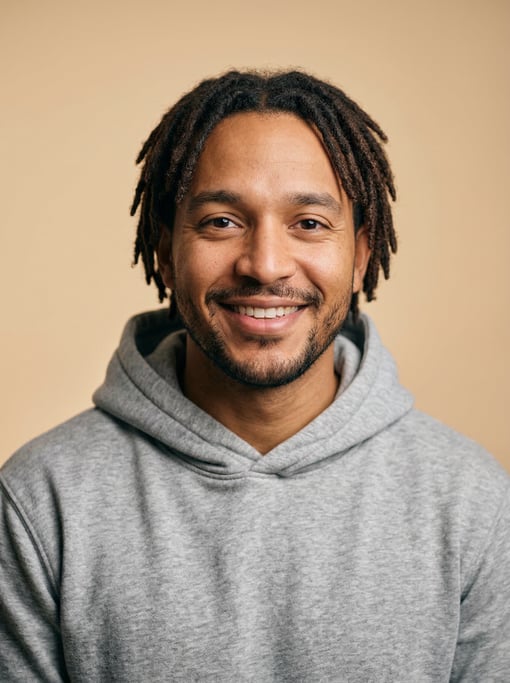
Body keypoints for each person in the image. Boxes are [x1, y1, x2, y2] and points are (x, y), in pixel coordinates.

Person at [1, 70, 509, 682]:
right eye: (221, 221)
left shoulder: (472, 501)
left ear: (362, 256)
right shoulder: (39, 499)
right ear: (165, 251)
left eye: (310, 223)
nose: (265, 265)